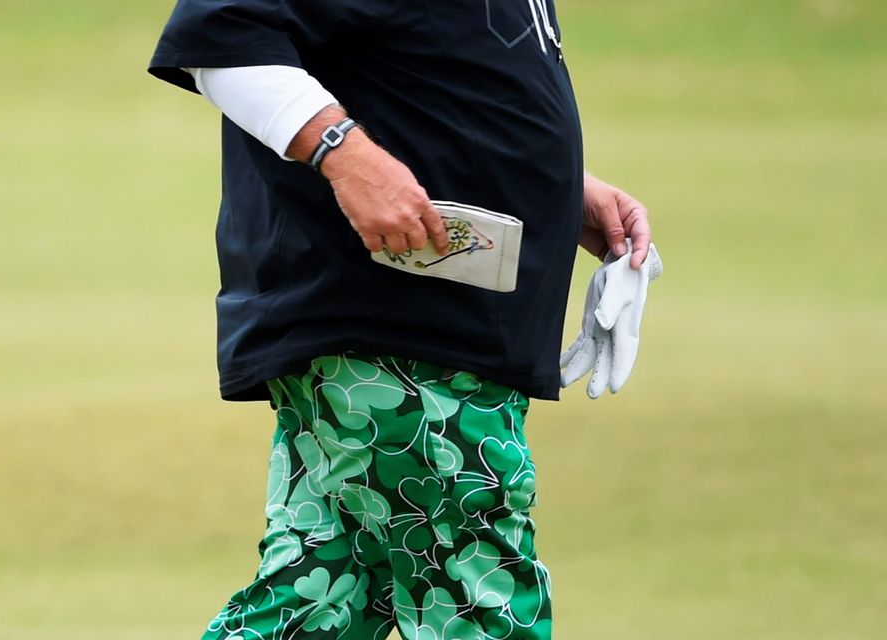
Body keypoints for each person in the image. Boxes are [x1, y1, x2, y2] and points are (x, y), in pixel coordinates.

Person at [149, 1, 653, 638]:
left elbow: (427, 63)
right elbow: (223, 33)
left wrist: (551, 186)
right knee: (482, 604)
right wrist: (343, 152)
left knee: (320, 600)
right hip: (402, 336)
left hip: (408, 337)